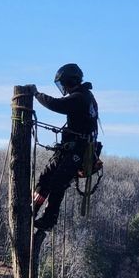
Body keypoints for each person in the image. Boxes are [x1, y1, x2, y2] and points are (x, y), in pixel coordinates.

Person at [25, 63, 99, 231]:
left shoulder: (81, 97)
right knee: (46, 178)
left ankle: (49, 219)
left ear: (69, 81)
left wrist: (36, 94)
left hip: (78, 150)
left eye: (63, 84)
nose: (63, 88)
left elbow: (57, 105)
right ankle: (32, 209)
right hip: (71, 147)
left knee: (58, 182)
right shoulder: (84, 96)